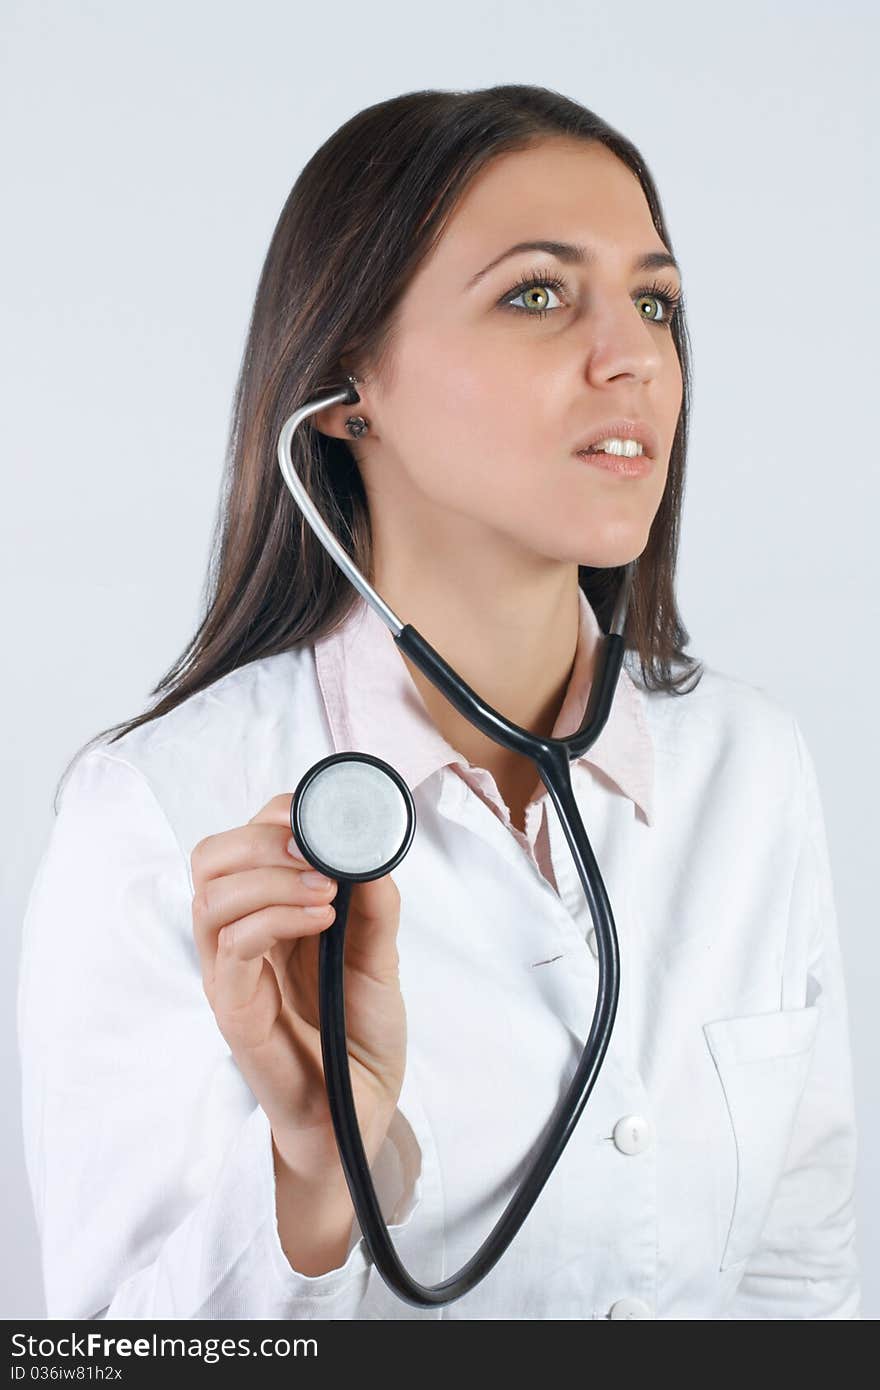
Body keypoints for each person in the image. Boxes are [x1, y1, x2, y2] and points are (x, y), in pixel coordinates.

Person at [17, 84, 861, 1321]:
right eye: (537, 293)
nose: (630, 353)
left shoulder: (750, 764)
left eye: (655, 301)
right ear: (350, 386)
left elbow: (801, 1283)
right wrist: (320, 1179)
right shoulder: (160, 813)